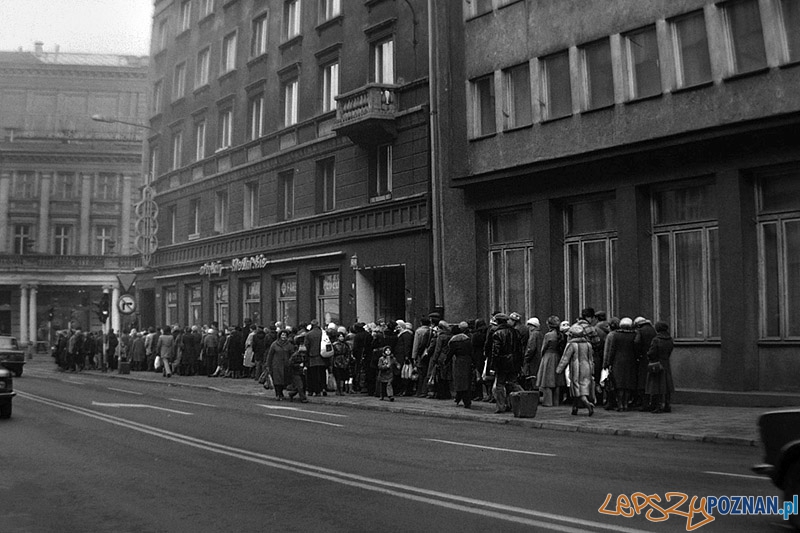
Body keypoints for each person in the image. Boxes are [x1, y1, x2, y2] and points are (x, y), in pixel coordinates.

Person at [556, 324, 596, 416]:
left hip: (576, 368)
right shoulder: (588, 344)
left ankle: (587, 404)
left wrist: (559, 369)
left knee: (577, 387)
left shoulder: (571, 344)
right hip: (587, 367)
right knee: (585, 386)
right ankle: (575, 408)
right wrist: (592, 369)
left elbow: (565, 358)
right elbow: (591, 358)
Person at [489, 313, 524, 413]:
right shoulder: (515, 332)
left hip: (502, 363)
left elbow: (495, 352)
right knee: (512, 383)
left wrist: (493, 366)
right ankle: (518, 400)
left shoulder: (497, 333)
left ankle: (501, 406)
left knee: (500, 384)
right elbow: (520, 349)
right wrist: (520, 363)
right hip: (514, 362)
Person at [604, 317, 637, 411]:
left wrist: (608, 363)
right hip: (631, 362)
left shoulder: (616, 335)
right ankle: (626, 404)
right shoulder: (634, 335)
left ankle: (620, 405)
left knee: (619, 385)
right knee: (628, 384)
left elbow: (612, 350)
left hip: (617, 362)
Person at [645, 321, 675, 413]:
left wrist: (648, 355)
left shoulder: (656, 339)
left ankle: (657, 406)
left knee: (656, 385)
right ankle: (666, 404)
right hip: (666, 363)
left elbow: (652, 352)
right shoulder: (670, 339)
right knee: (666, 385)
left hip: (656, 363)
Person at [535, 316, 563, 407]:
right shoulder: (561, 334)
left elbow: (543, 348)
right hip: (557, 356)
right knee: (556, 380)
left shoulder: (548, 335)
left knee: (547, 380)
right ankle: (556, 401)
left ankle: (548, 402)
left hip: (548, 357)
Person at [633, 316, 657, 411]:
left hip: (643, 358)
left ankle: (645, 404)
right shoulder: (653, 329)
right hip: (653, 359)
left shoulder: (640, 331)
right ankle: (654, 403)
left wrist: (637, 355)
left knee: (642, 382)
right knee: (652, 381)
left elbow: (637, 342)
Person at [449, 321, 474, 408]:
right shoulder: (467, 339)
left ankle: (462, 398)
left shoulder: (453, 341)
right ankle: (465, 399)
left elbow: (450, 353)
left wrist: (446, 361)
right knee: (467, 381)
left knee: (460, 382)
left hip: (459, 361)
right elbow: (472, 351)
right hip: (468, 360)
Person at [266, 329, 294, 400]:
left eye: (285, 335)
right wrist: (268, 365)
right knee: (277, 380)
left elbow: (292, 354)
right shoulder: (274, 344)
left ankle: (281, 393)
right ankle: (278, 394)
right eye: (282, 335)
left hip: (285, 365)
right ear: (279, 335)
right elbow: (270, 355)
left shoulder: (289, 345)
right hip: (276, 365)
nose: (283, 336)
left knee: (283, 381)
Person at [523, 317, 543, 389]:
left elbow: (531, 348)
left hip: (533, 359)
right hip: (539, 358)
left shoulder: (533, 334)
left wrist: (526, 358)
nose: (528, 327)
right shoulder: (540, 334)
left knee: (532, 377)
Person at [331, 331, 352, 396]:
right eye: (340, 336)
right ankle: (338, 389)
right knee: (338, 376)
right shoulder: (334, 345)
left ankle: (341, 389)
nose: (341, 338)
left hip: (343, 361)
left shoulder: (345, 345)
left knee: (343, 376)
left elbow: (348, 353)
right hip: (336, 361)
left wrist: (347, 361)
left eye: (342, 336)